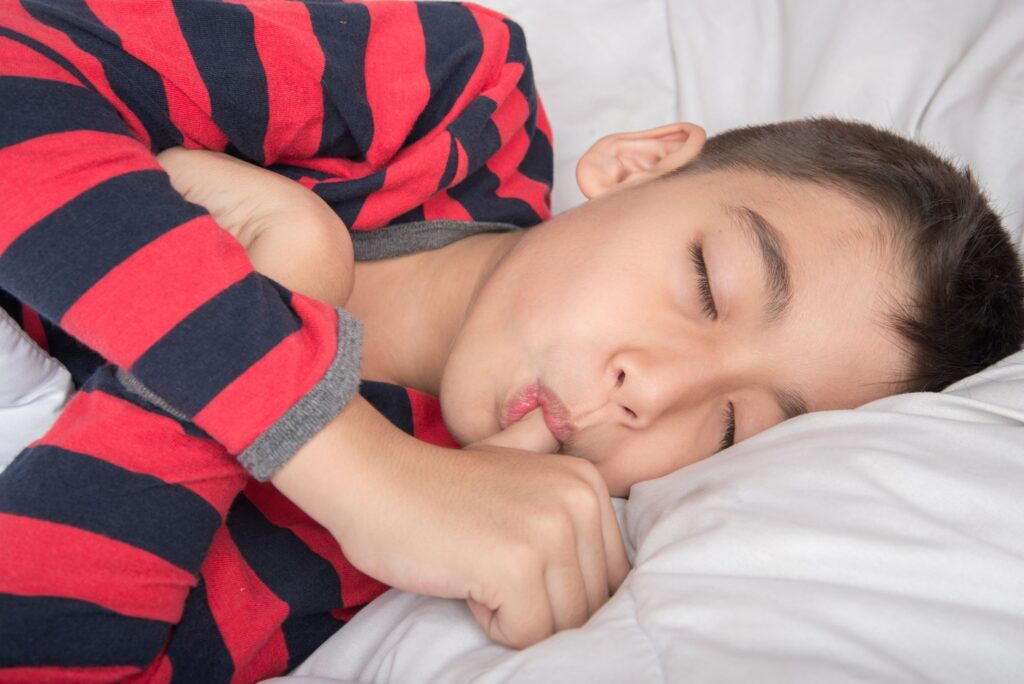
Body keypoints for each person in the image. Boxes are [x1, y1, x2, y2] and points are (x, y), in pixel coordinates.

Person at [1, 0, 1021, 681]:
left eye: (730, 426)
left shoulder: (417, 550)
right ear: (640, 165)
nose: (646, 392)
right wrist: (334, 452)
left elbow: (44, 653)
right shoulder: (453, 99)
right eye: (707, 285)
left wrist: (272, 302)